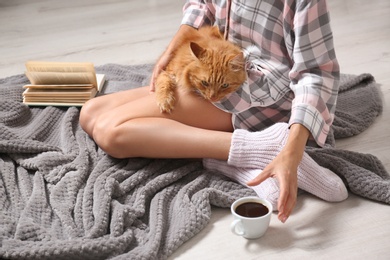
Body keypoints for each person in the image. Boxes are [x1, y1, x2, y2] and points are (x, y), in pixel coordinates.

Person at [79, 0, 348, 223]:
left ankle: (266, 145)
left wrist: (293, 149)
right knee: (91, 112)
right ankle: (234, 153)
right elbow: (202, 4)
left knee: (110, 132)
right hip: (213, 69)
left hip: (257, 96)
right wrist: (175, 46)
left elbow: (316, 74)